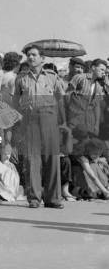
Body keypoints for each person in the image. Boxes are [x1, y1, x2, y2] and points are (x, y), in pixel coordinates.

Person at [13, 44, 65, 209]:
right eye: (28, 55)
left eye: (34, 55)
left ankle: (53, 199)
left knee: (52, 159)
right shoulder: (21, 78)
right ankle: (34, 198)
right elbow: (15, 102)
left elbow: (61, 101)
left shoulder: (52, 76)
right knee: (32, 160)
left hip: (50, 120)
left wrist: (63, 123)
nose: (30, 57)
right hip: (30, 122)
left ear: (42, 58)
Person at [66, 59, 107, 137]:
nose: (103, 72)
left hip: (89, 122)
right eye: (101, 69)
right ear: (93, 68)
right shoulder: (79, 77)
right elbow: (67, 95)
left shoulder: (98, 86)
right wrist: (70, 114)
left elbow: (96, 106)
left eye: (104, 71)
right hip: (75, 121)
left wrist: (96, 125)